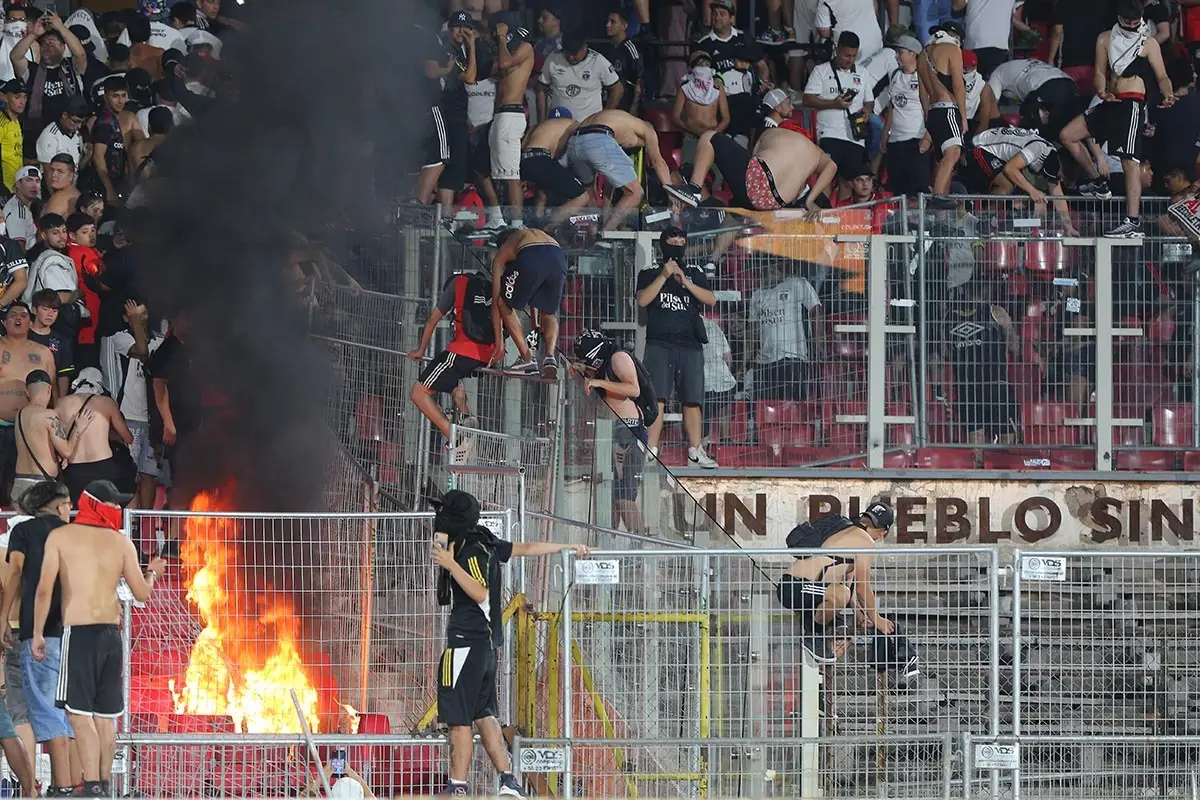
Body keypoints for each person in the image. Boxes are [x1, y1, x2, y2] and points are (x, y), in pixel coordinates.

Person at [429, 488, 587, 798]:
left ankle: (457, 788)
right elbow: (527, 547)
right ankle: (508, 781)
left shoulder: (470, 550)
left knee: (459, 721)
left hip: (466, 643)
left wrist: (450, 564)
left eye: (443, 515)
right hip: (485, 648)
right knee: (484, 714)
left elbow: (480, 593)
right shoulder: (483, 539)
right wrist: (567, 545)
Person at [32, 479, 166, 799]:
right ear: (98, 505)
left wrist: (37, 632)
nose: (119, 509)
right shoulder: (121, 543)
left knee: (80, 716)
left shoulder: (61, 537)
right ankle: (103, 786)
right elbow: (142, 593)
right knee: (105, 719)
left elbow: (44, 589)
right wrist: (154, 571)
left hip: (79, 634)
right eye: (115, 504)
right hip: (111, 636)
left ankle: (92, 787)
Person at [1059, 0, 1176, 237]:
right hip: (1109, 100)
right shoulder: (1104, 38)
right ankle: (1098, 182)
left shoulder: (1148, 42)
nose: (1132, 25)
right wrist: (1101, 91)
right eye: (1128, 21)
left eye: (1136, 22)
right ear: (1119, 17)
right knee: (1068, 135)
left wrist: (1168, 93)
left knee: (1129, 161)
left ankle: (1132, 221)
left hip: (1132, 101)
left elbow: (1162, 76)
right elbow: (1101, 71)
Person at [0, 481, 73, 795]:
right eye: (69, 504)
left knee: (47, 711)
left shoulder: (24, 533)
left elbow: (15, 572)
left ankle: (60, 788)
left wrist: (3, 617)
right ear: (58, 506)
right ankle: (75, 786)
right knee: (73, 714)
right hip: (78, 631)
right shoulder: (76, 534)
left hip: (40, 632)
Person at [636, 227, 718, 468]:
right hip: (659, 344)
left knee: (692, 399)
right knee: (657, 397)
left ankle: (696, 450)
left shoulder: (694, 271)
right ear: (663, 244)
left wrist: (686, 282)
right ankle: (650, 448)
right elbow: (642, 300)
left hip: (690, 345)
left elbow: (711, 299)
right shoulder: (650, 271)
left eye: (681, 240)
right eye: (672, 240)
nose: (677, 244)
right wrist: (664, 276)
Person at [777, 501, 895, 662]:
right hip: (795, 586)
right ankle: (814, 634)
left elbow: (851, 590)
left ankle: (819, 666)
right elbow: (863, 588)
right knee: (840, 594)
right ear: (883, 532)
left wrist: (861, 615)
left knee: (843, 630)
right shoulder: (866, 542)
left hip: (807, 590)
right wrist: (876, 618)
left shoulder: (848, 532)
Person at [572, 328, 655, 533]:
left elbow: (633, 389)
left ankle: (640, 550)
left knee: (623, 496)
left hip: (628, 430)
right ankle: (607, 550)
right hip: (608, 430)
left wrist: (597, 381)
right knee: (607, 495)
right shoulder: (599, 365)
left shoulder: (618, 357)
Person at [668, 123, 838, 211]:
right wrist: (810, 200)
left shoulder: (772, 132)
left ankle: (694, 190)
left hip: (757, 182)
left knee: (710, 137)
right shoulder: (815, 152)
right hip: (776, 202)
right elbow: (832, 166)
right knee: (738, 210)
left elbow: (752, 159)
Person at [407, 271, 495, 441]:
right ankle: (466, 415)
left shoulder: (457, 284)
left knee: (418, 392)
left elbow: (432, 320)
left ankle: (454, 438)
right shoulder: (489, 287)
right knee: (452, 380)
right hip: (487, 353)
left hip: (464, 350)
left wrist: (420, 351)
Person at [564, 108, 675, 230]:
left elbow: (610, 180)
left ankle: (562, 228)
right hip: (599, 137)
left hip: (574, 141)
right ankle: (605, 235)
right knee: (636, 193)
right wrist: (672, 193)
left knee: (588, 196)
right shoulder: (648, 130)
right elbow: (658, 162)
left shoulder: (622, 121)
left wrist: (608, 211)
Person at [99, 300, 162, 509]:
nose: (141, 318)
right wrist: (136, 324)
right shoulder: (119, 337)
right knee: (130, 474)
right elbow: (141, 351)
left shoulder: (158, 341)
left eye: (143, 314)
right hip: (128, 417)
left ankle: (142, 527)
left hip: (152, 420)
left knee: (150, 475)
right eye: (135, 315)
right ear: (126, 318)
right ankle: (126, 525)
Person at [961, 126, 1079, 235]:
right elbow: (1010, 169)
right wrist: (1032, 191)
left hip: (998, 153)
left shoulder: (1052, 161)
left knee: (1024, 184)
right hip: (980, 146)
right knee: (1008, 185)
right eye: (1061, 176)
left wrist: (1068, 227)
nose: (1060, 179)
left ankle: (1011, 222)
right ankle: (984, 220)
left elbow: (1058, 196)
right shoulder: (1037, 150)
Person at [417, 12, 477, 212]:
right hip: (443, 112)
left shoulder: (459, 51)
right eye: (457, 26)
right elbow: (469, 76)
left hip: (458, 115)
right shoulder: (441, 46)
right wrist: (472, 47)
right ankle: (419, 206)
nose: (462, 31)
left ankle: (443, 220)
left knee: (454, 171)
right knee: (440, 158)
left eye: (466, 27)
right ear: (449, 27)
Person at [10, 10, 87, 158]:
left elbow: (80, 54)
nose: (47, 46)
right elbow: (15, 57)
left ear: (63, 47)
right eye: (44, 43)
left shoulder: (72, 69)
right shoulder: (31, 70)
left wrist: (61, 28)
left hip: (68, 137)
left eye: (52, 43)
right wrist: (34, 34)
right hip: (35, 138)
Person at [489, 227, 565, 377]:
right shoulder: (531, 234)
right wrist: (534, 324)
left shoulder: (504, 251)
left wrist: (499, 343)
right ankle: (550, 357)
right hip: (558, 256)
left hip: (532, 256)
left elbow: (496, 302)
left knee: (503, 303)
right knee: (549, 312)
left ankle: (527, 359)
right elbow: (534, 294)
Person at [0, 303, 56, 503]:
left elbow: (54, 392)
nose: (17, 318)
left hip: (32, 428)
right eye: (12, 315)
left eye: (23, 315)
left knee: (23, 484)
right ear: (5, 322)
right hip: (1, 424)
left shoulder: (43, 352)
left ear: (30, 323)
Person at [13, 370, 91, 505]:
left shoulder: (20, 414)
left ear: (27, 391)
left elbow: (37, 443)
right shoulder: (48, 415)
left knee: (22, 526)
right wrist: (78, 428)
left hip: (20, 482)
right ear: (49, 389)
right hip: (41, 487)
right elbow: (66, 451)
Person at [55, 368, 132, 504]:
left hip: (74, 466)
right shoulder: (106, 403)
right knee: (102, 509)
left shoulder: (61, 403)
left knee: (77, 511)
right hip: (102, 465)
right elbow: (128, 438)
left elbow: (57, 437)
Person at [748, 266, 823, 401]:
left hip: (792, 358)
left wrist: (817, 345)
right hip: (764, 362)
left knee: (794, 408)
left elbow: (815, 310)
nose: (771, 271)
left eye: (775, 266)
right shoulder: (757, 295)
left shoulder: (797, 283)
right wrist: (745, 361)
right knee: (765, 410)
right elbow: (752, 332)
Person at [803, 32, 873, 175]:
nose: (850, 60)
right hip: (829, 134)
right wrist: (834, 104)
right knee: (826, 179)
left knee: (849, 182)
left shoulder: (863, 72)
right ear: (837, 49)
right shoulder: (821, 70)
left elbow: (869, 101)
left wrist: (867, 111)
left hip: (856, 138)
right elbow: (807, 99)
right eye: (847, 55)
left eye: (854, 56)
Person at [487, 14, 534, 229]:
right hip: (498, 116)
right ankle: (496, 219)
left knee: (510, 174)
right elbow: (492, 69)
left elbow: (504, 65)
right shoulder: (505, 49)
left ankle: (517, 224)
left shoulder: (525, 48)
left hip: (511, 115)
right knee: (480, 169)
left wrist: (502, 37)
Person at [919, 21, 967, 199]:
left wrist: (927, 118)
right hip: (948, 109)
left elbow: (922, 92)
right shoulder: (952, 49)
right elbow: (958, 85)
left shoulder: (922, 55)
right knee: (953, 153)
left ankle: (940, 215)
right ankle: (938, 198)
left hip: (933, 112)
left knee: (943, 163)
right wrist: (963, 117)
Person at [519, 109, 590, 225]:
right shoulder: (573, 124)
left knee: (542, 188)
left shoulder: (537, 126)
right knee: (582, 197)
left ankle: (537, 220)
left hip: (522, 161)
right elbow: (575, 152)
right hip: (540, 159)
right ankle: (549, 227)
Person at [881, 35, 932, 197]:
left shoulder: (924, 77)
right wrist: (885, 134)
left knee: (918, 190)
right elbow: (892, 106)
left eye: (900, 52)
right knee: (898, 189)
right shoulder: (895, 75)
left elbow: (931, 109)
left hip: (916, 140)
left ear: (913, 54)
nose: (897, 56)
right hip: (895, 141)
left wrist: (928, 137)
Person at [536, 29, 621, 123]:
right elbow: (541, 89)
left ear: (584, 47)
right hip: (558, 123)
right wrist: (542, 121)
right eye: (566, 53)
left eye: (574, 53)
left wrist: (603, 117)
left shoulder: (598, 61)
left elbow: (617, 89)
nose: (570, 57)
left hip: (588, 125)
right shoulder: (553, 58)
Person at [84, 74, 137, 205]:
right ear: (106, 97)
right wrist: (109, 188)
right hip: (103, 186)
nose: (120, 101)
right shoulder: (105, 122)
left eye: (123, 96)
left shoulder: (113, 119)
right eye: (115, 96)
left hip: (115, 182)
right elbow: (98, 156)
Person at [671, 50, 730, 165]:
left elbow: (726, 117)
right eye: (699, 64)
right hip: (691, 137)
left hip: (713, 137)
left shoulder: (717, 87)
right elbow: (675, 117)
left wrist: (714, 133)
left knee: (715, 174)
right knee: (688, 170)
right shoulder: (685, 87)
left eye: (706, 64)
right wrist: (692, 130)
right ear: (692, 67)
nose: (703, 67)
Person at [28, 290, 74, 399]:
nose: (50, 314)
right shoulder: (22, 335)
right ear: (34, 310)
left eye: (54, 311)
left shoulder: (61, 341)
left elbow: (63, 374)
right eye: (45, 309)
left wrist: (60, 400)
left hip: (49, 397)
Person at [601, 9, 642, 114]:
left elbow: (639, 80)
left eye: (613, 22)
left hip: (624, 107)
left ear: (624, 25)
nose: (608, 25)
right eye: (607, 21)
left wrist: (634, 107)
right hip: (607, 105)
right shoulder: (607, 49)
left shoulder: (630, 49)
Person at [35, 99, 87, 176]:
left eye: (81, 122)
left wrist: (87, 156)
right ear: (64, 115)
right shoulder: (50, 136)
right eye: (75, 121)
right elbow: (49, 175)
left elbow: (77, 169)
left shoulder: (77, 134)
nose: (79, 126)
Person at [3, 165, 38, 250]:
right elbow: (18, 250)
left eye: (37, 181)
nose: (34, 185)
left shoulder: (25, 206)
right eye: (29, 180)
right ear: (18, 184)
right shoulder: (17, 212)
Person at [0, 79, 26, 191]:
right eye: (17, 97)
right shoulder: (2, 123)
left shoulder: (17, 121)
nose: (22, 102)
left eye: (25, 97)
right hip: (4, 188)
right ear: (5, 97)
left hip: (15, 186)